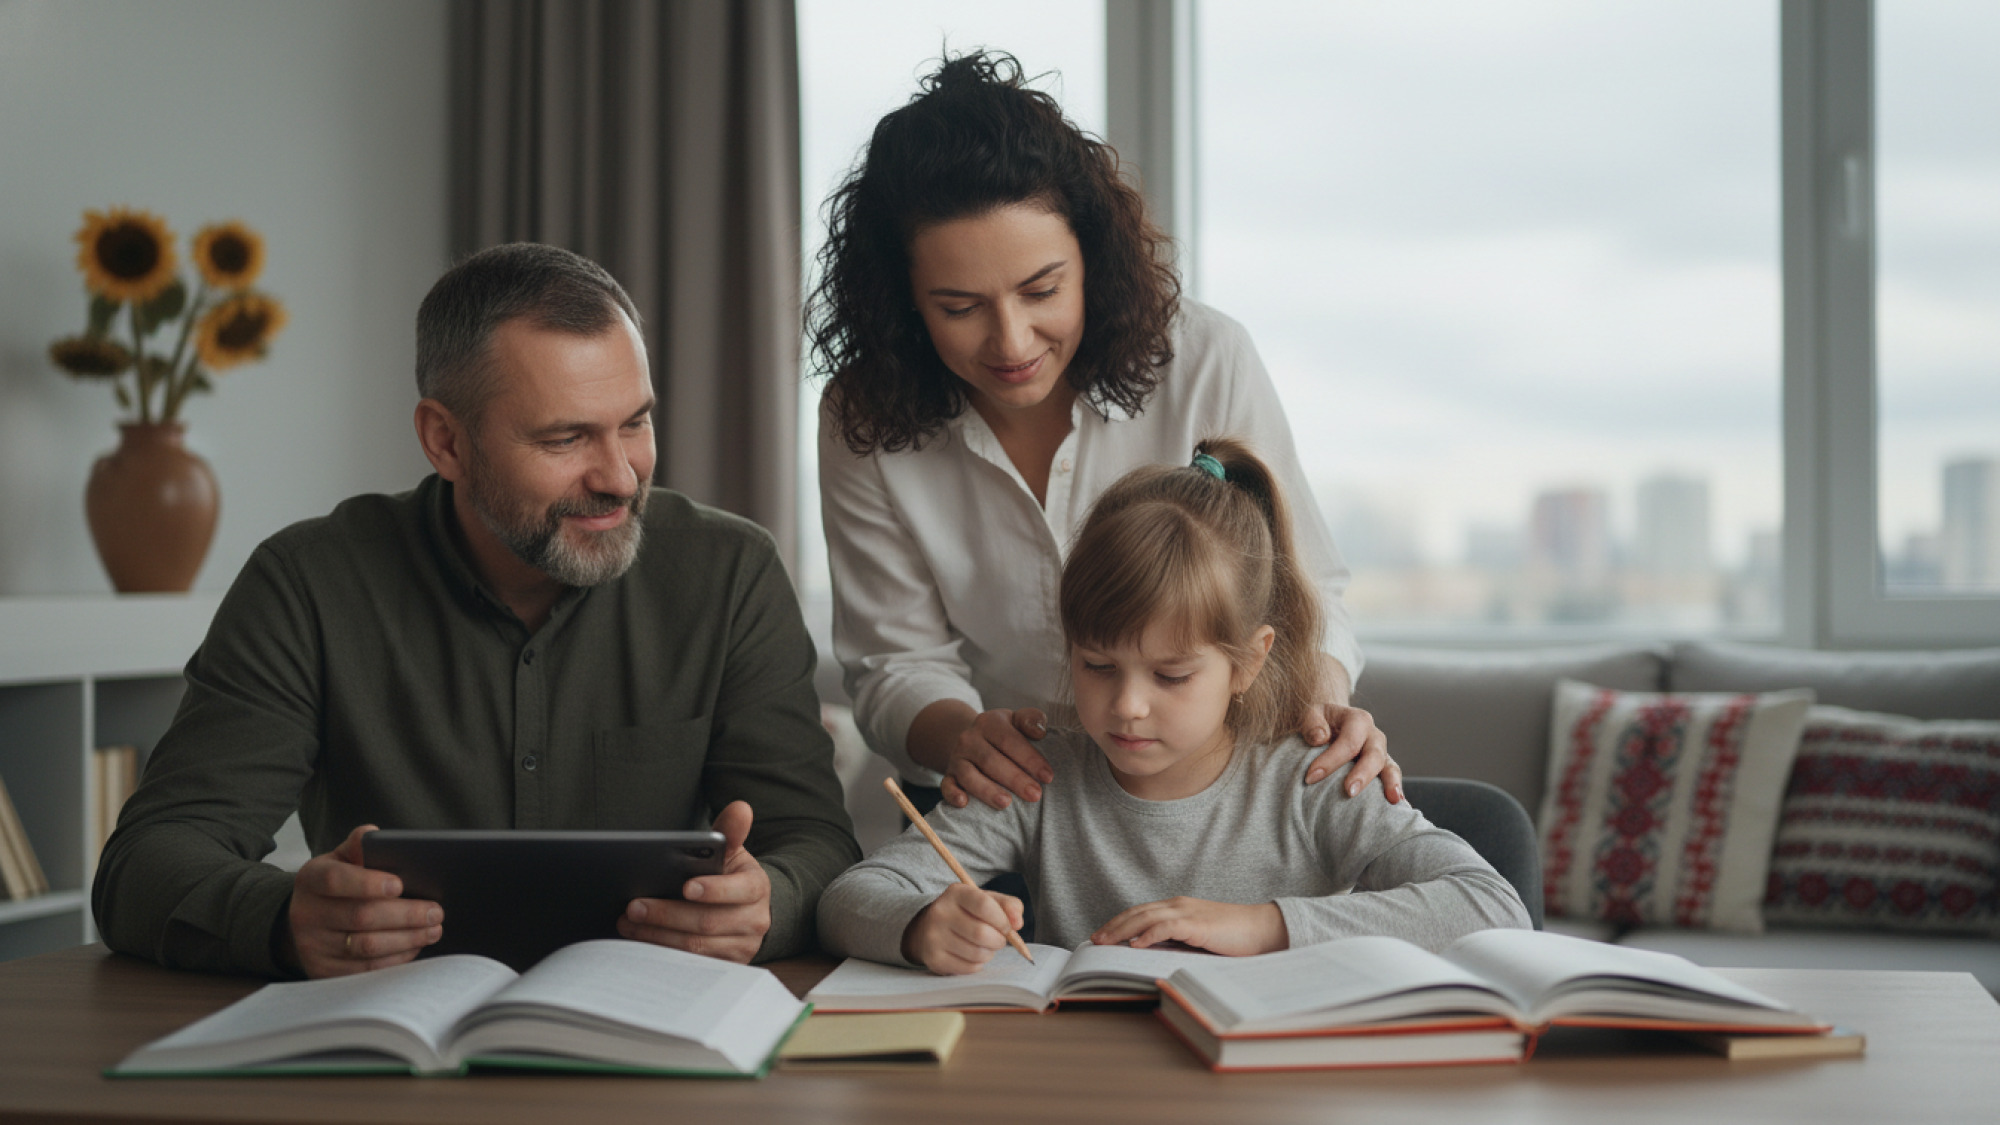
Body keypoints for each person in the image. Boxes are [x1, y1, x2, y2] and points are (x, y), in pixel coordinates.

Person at [93, 243, 860, 979]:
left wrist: (764, 901)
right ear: (445, 441)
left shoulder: (730, 573)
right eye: (566, 437)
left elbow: (818, 843)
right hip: (391, 1058)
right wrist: (283, 918)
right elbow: (148, 860)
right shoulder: (305, 584)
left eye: (635, 421)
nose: (622, 477)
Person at [810, 51, 1400, 818]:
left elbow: (1305, 591)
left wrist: (1321, 707)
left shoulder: (1206, 359)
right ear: (902, 304)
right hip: (1010, 807)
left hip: (1207, 801)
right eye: (959, 307)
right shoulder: (867, 414)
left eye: (1041, 289)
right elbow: (894, 662)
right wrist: (965, 736)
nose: (1012, 341)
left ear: (1093, 258)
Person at [817, 440, 1530, 971]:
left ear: (1248, 661)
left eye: (1171, 675)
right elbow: (851, 896)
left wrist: (1263, 926)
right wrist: (919, 923)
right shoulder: (1040, 776)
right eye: (1098, 665)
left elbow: (1493, 906)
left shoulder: (1311, 777)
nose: (1126, 706)